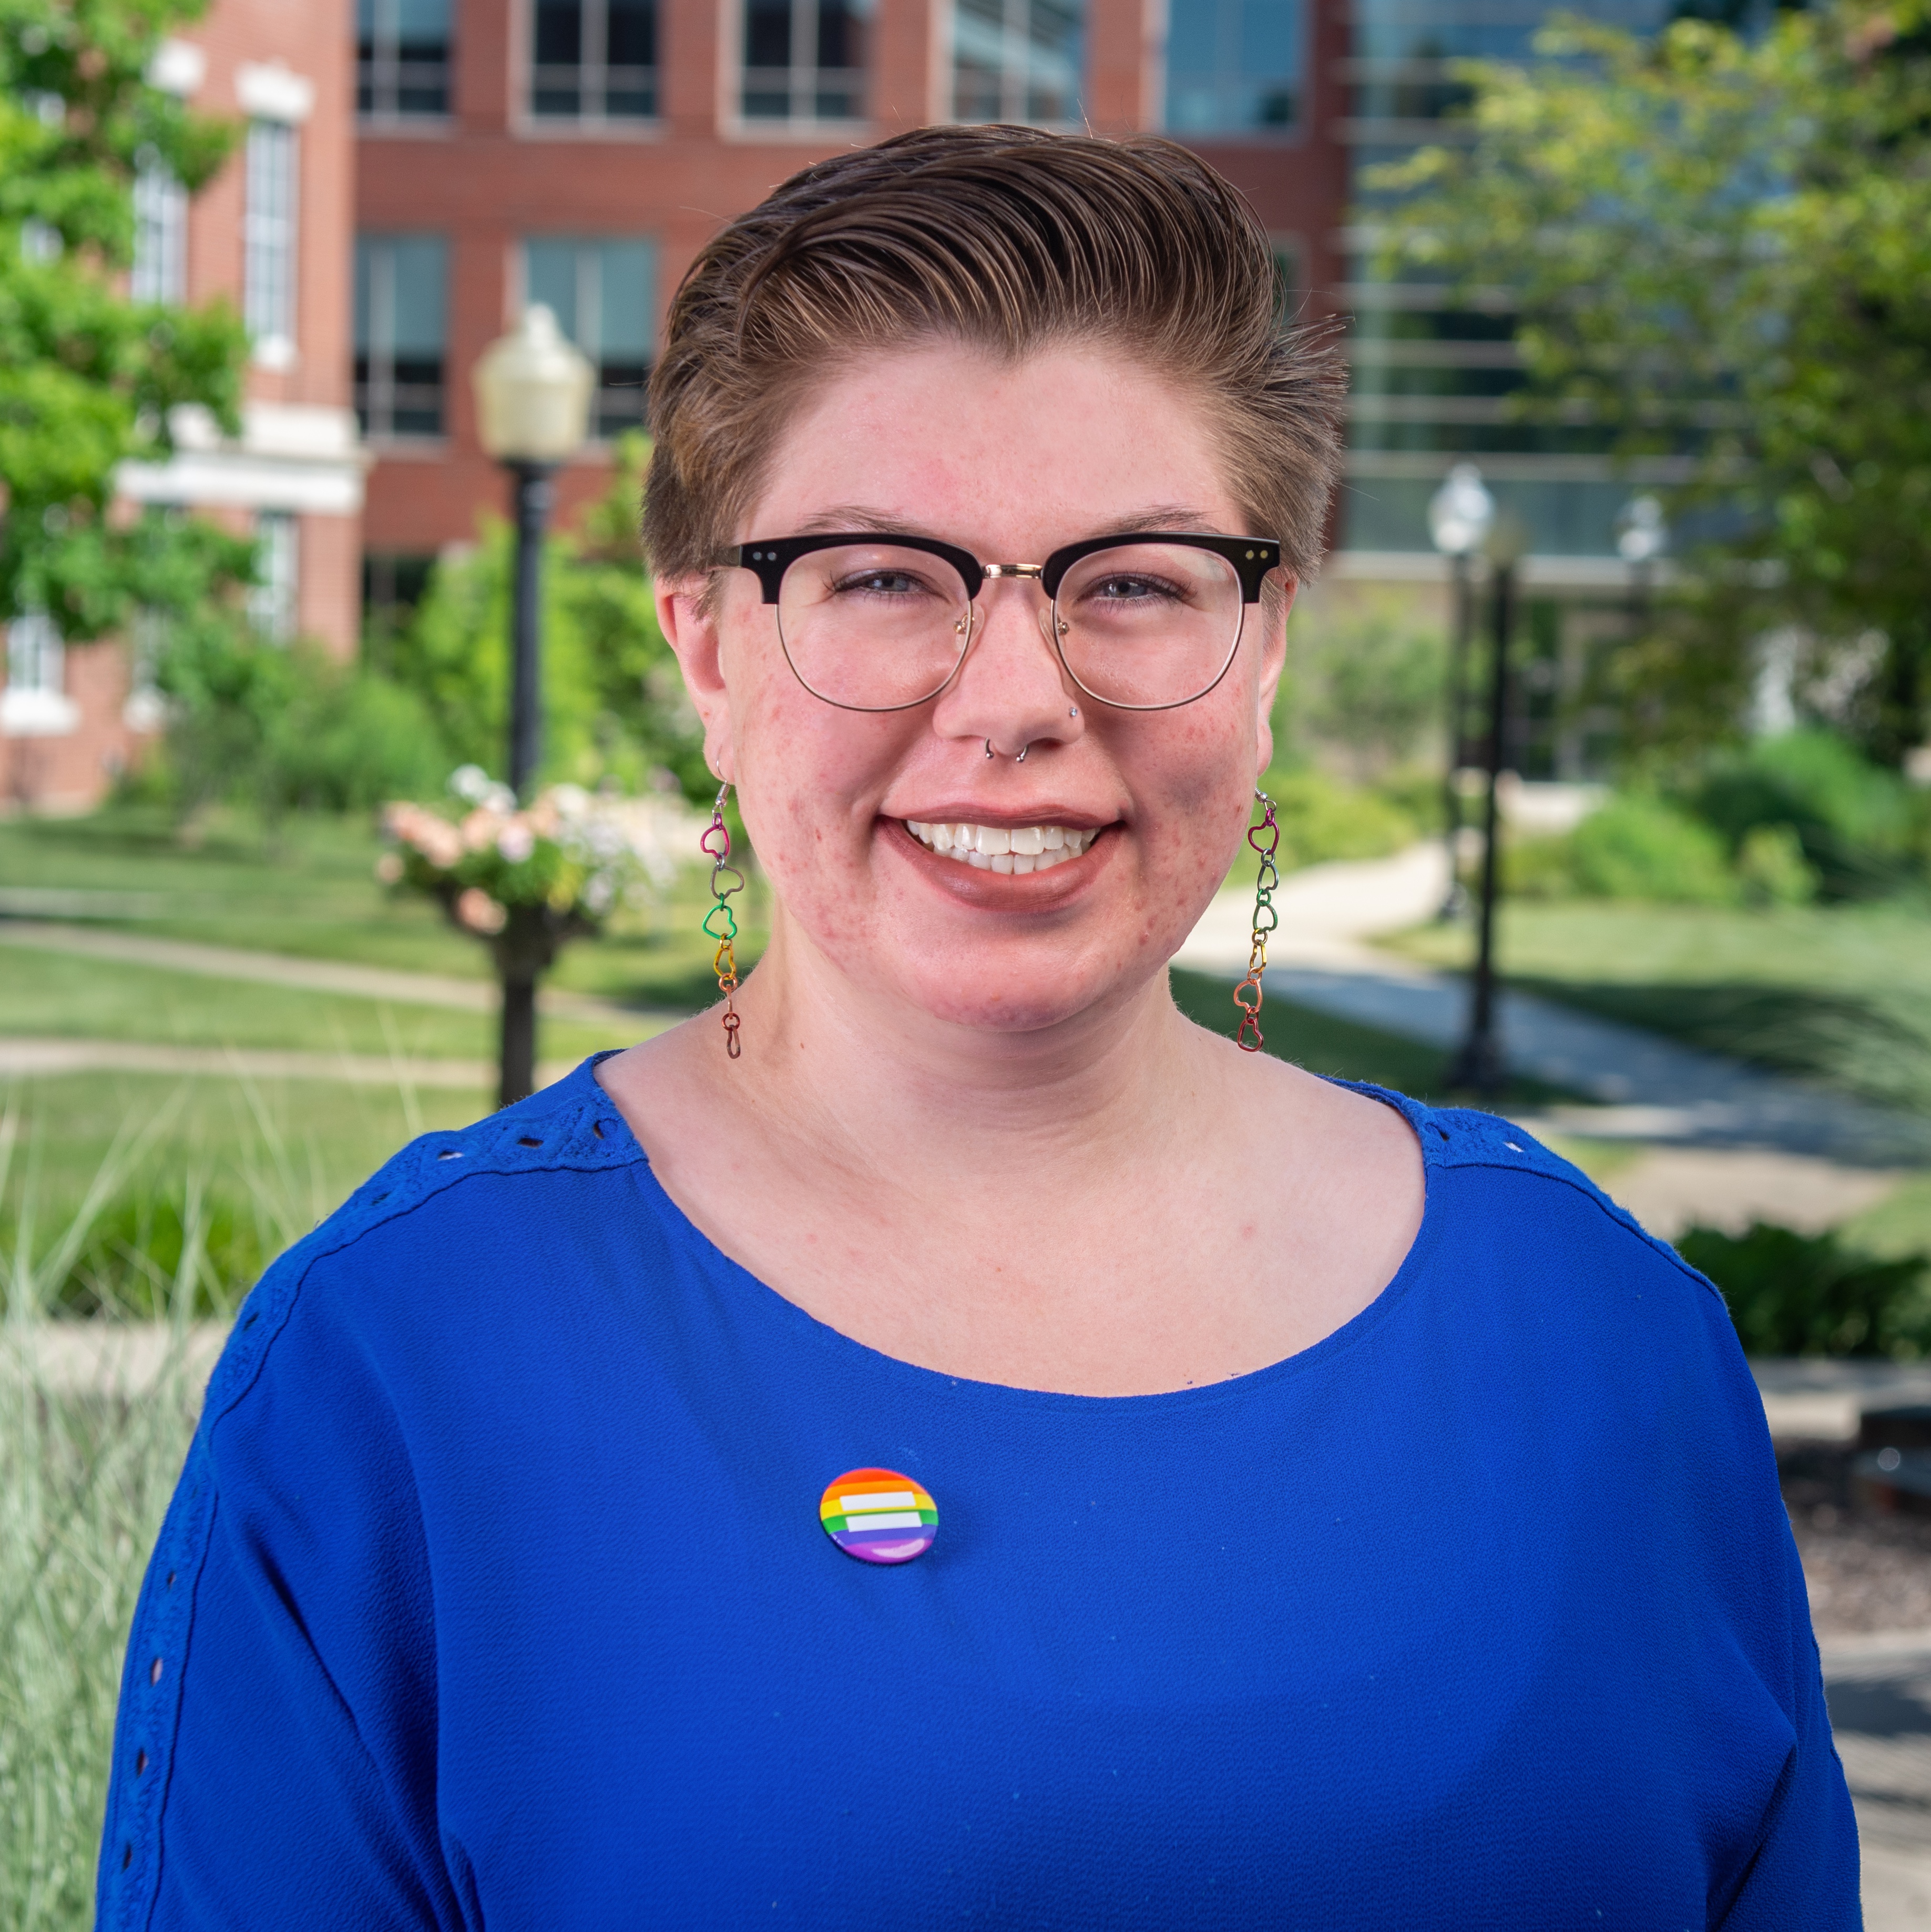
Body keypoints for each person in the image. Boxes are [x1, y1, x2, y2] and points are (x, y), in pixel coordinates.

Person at [98, 127, 1856, 1928]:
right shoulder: (409, 1355)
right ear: (707, 651)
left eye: (1135, 581)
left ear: (1262, 653)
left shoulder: (1601, 1343)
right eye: (878, 576)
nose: (1016, 699)